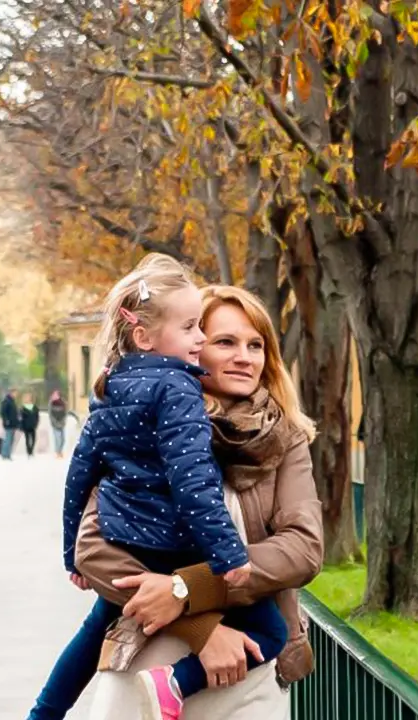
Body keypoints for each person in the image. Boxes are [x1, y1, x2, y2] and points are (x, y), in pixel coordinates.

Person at [36, 255, 286, 720]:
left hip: (129, 541)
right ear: (145, 336)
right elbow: (192, 483)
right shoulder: (179, 390)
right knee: (273, 633)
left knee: (94, 629)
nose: (201, 339)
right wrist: (227, 555)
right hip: (176, 545)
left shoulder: (109, 392)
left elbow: (78, 477)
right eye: (193, 328)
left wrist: (70, 551)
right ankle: (178, 681)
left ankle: (44, 712)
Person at [0, 387, 20, 459]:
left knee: (11, 439)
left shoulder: (12, 401)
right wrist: (6, 420)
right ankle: (5, 454)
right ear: (11, 393)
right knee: (8, 439)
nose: (16, 394)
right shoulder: (6, 401)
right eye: (15, 393)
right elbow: (3, 412)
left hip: (13, 423)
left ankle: (7, 454)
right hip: (8, 424)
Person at [20, 391, 41, 458]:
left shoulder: (35, 407)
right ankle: (29, 452)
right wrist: (21, 426)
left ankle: (31, 450)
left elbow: (37, 416)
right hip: (26, 426)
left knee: (34, 439)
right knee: (27, 439)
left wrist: (36, 423)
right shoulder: (23, 408)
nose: (28, 399)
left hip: (33, 425)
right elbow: (21, 418)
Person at [49, 390, 69, 458]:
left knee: (63, 439)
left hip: (62, 423)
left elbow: (65, 412)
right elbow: (50, 414)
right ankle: (58, 452)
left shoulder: (63, 403)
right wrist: (54, 422)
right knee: (57, 438)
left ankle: (60, 451)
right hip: (55, 424)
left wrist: (63, 421)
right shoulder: (51, 403)